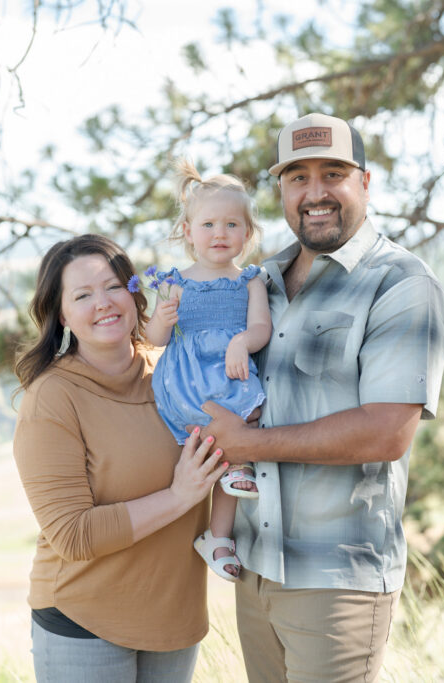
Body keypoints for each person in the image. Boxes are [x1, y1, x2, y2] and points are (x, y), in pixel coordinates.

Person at [198, 113, 444, 682]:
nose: (315, 193)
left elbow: (386, 432)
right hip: (255, 568)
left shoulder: (401, 285)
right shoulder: (256, 282)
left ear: (365, 182)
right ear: (282, 191)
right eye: (297, 177)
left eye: (333, 173)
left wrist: (250, 443)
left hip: (338, 581)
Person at [11, 234, 229, 682]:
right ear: (61, 314)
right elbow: (72, 535)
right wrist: (179, 496)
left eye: (114, 287)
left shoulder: (175, 373)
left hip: (175, 620)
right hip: (84, 622)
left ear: (135, 293)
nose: (103, 303)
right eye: (83, 295)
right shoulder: (53, 396)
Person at [143, 159, 271, 582]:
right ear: (188, 231)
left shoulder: (250, 280)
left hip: (230, 375)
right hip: (188, 384)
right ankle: (211, 525)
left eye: (232, 225)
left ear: (247, 235)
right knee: (232, 445)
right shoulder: (173, 280)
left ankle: (218, 539)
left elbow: (260, 329)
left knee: (237, 440)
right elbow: (156, 339)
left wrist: (242, 342)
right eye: (209, 224)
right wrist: (163, 316)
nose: (220, 233)